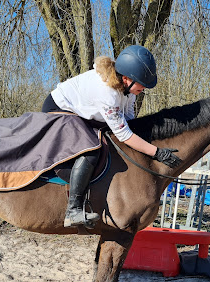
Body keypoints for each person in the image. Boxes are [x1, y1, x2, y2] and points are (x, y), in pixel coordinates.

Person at [42, 45, 182, 228]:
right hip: (59, 110)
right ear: (126, 78)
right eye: (143, 83)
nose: (145, 88)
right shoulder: (107, 92)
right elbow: (124, 134)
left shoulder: (129, 87)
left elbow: (129, 115)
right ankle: (73, 210)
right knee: (90, 149)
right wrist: (157, 152)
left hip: (84, 112)